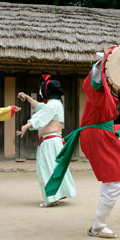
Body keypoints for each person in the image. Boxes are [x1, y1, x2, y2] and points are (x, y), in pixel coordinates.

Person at [44, 48, 120, 239]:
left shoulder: (108, 90)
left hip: (103, 130)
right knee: (114, 185)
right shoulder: (98, 86)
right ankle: (97, 227)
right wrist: (106, 61)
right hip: (97, 136)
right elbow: (94, 80)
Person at [16, 74, 76, 208]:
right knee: (53, 169)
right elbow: (40, 107)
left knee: (45, 169)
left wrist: (27, 125)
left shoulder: (53, 105)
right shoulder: (54, 104)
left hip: (50, 142)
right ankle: (58, 194)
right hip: (52, 142)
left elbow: (40, 116)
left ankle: (51, 198)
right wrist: (27, 97)